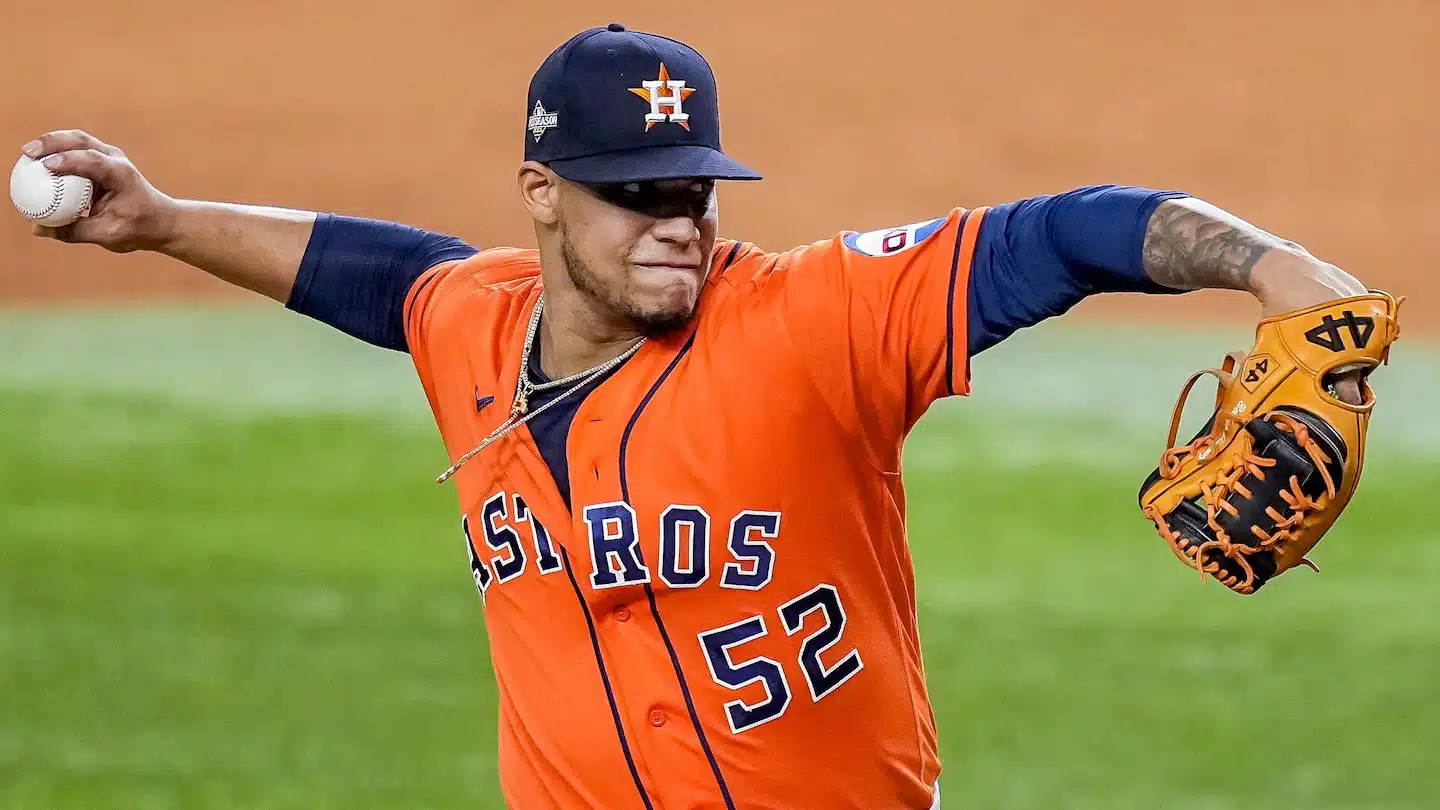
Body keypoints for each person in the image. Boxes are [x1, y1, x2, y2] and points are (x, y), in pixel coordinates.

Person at [20, 22, 1369, 810]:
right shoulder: (472, 326)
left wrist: (1277, 271)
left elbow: (1070, 232)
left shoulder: (815, 324)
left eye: (694, 190)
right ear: (542, 194)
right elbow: (374, 274)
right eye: (636, 194)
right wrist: (163, 221)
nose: (678, 222)